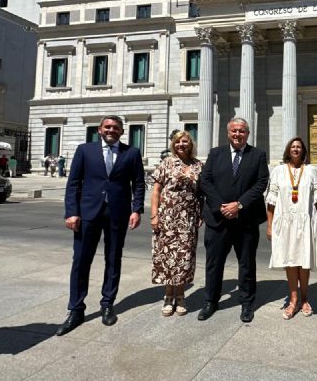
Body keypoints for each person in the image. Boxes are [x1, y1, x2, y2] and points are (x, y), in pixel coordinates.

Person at [56, 115, 145, 336]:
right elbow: (73, 183)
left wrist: (136, 209)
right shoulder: (84, 150)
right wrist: (72, 212)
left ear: (122, 131)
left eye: (116, 127)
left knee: (113, 258)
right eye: (107, 127)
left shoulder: (131, 153)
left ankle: (107, 303)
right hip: (87, 213)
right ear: (99, 129)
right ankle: (76, 309)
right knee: (80, 261)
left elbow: (139, 183)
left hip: (118, 213)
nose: (111, 130)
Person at [198, 118, 269, 323]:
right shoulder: (215, 153)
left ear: (248, 133)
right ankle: (211, 301)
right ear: (228, 133)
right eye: (234, 131)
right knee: (214, 263)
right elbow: (206, 180)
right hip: (218, 219)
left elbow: (261, 183)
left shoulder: (257, 155)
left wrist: (238, 205)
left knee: (246, 263)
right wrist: (221, 206)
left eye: (242, 131)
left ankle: (247, 303)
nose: (238, 134)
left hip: (245, 219)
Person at [266, 137, 317, 319]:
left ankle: (305, 299)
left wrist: (314, 222)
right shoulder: (279, 171)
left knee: (303, 261)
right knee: (290, 261)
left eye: (299, 147)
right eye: (293, 147)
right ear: (288, 150)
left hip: (305, 222)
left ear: (303, 150)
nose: (296, 149)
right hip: (285, 223)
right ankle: (293, 299)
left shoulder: (312, 170)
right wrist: (269, 226)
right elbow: (271, 200)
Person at [151, 131, 203, 316]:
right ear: (174, 144)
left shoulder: (198, 165)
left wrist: (201, 213)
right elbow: (156, 190)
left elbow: (201, 193)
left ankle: (180, 296)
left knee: (184, 258)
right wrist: (154, 216)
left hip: (188, 218)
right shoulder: (166, 163)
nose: (182, 144)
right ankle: (168, 295)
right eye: (178, 142)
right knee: (167, 257)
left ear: (191, 144)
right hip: (167, 217)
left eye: (185, 141)